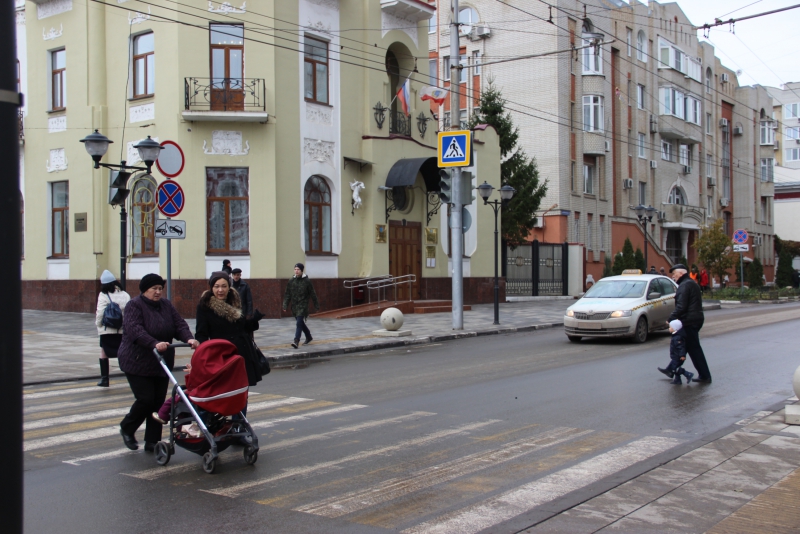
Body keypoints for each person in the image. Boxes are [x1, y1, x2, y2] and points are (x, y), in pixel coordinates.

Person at [117, 274, 199, 452]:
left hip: (161, 362)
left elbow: (179, 325)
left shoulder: (166, 305)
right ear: (144, 290)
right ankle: (127, 427)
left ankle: (152, 441)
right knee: (145, 399)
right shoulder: (134, 305)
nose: (157, 292)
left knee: (158, 403)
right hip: (137, 361)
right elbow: (135, 330)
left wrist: (189, 339)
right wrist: (153, 343)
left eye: (160, 288)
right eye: (154, 288)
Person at [195, 271, 265, 393]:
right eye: (216, 286)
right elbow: (201, 334)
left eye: (224, 286)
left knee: (242, 391)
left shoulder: (235, 300)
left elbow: (242, 327)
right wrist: (202, 357)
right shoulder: (204, 306)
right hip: (222, 355)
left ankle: (241, 413)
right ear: (211, 288)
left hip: (242, 353)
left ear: (229, 287)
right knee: (224, 392)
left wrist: (254, 320)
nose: (220, 290)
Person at [668, 264, 712, 383]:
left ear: (681, 273)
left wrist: (671, 318)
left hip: (689, 321)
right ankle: (671, 369)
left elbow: (681, 306)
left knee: (694, 349)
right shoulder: (690, 283)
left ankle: (705, 375)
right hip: (694, 319)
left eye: (674, 274)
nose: (673, 276)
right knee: (687, 346)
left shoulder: (684, 285)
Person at [94, 270, 131, 387]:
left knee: (104, 351)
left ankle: (105, 379)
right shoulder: (125, 294)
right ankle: (130, 376)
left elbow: (100, 312)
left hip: (107, 330)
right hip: (122, 329)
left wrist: (98, 325)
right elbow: (129, 312)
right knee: (123, 352)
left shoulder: (104, 295)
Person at [283, 263, 320, 349]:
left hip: (303, 305)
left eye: (298, 269)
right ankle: (309, 336)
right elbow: (287, 294)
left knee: (299, 323)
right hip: (294, 306)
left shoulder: (306, 281)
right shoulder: (291, 280)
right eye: (295, 269)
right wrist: (285, 305)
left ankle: (296, 341)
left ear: (301, 270)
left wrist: (316, 305)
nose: (296, 271)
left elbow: (312, 293)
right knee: (301, 323)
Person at [657, 319, 694, 385]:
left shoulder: (678, 337)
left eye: (670, 327)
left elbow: (681, 347)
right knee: (675, 368)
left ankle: (688, 374)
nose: (669, 328)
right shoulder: (676, 336)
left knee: (676, 369)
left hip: (678, 357)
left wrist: (682, 355)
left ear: (675, 329)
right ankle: (677, 380)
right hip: (676, 356)